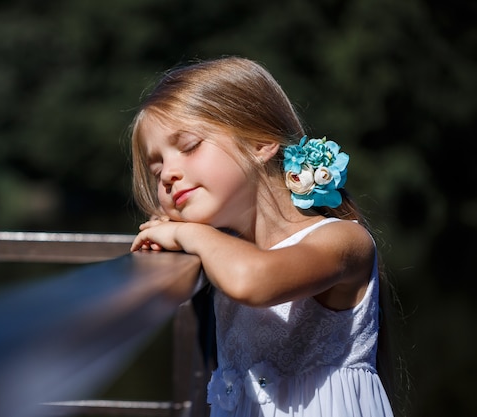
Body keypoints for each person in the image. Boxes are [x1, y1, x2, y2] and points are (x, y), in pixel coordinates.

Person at [129, 56, 403, 417]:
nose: (167, 175)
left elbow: (252, 280)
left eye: (190, 145)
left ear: (261, 143)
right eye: (157, 166)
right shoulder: (226, 248)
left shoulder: (343, 241)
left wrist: (184, 231)